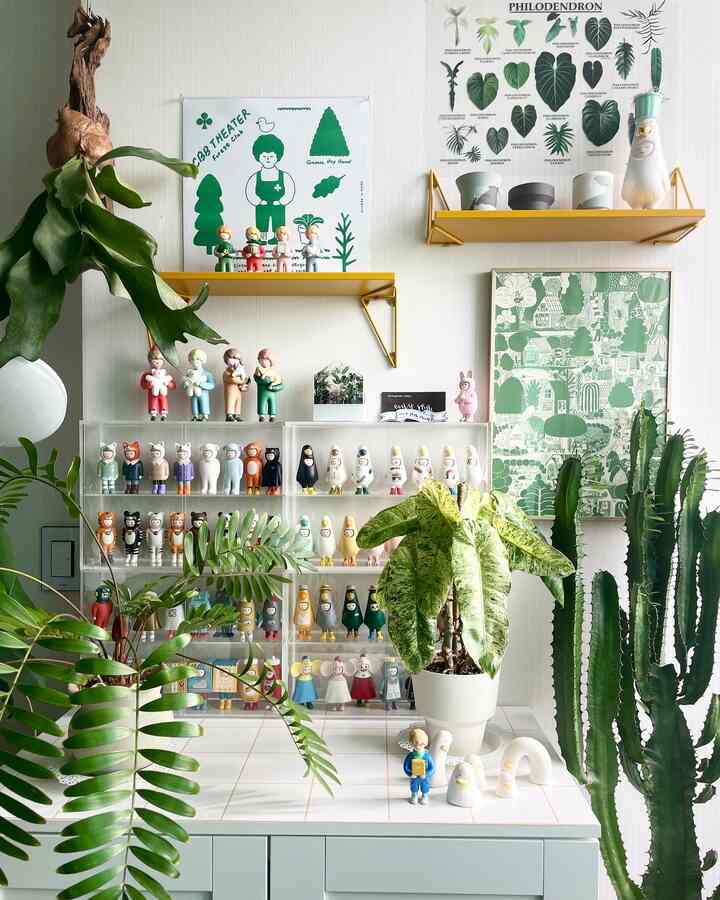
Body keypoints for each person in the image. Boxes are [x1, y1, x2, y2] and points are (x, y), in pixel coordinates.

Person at [244, 134, 296, 242]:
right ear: (258, 157)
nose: (268, 158)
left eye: (271, 156)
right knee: (262, 222)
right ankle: (261, 238)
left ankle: (276, 238)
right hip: (262, 206)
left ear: (277, 156)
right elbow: (250, 191)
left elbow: (290, 191)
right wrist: (258, 201)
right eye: (264, 156)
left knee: (278, 221)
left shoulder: (284, 176)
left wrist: (282, 201)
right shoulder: (255, 176)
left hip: (278, 206)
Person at [403, 727, 435, 806]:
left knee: (425, 785)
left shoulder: (427, 756)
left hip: (424, 777)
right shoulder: (410, 756)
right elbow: (406, 766)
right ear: (411, 743)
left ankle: (425, 795)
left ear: (425, 743)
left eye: (421, 744)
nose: (418, 746)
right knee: (414, 785)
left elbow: (432, 768)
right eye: (415, 743)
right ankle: (414, 795)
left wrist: (426, 774)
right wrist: (411, 773)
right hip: (414, 776)